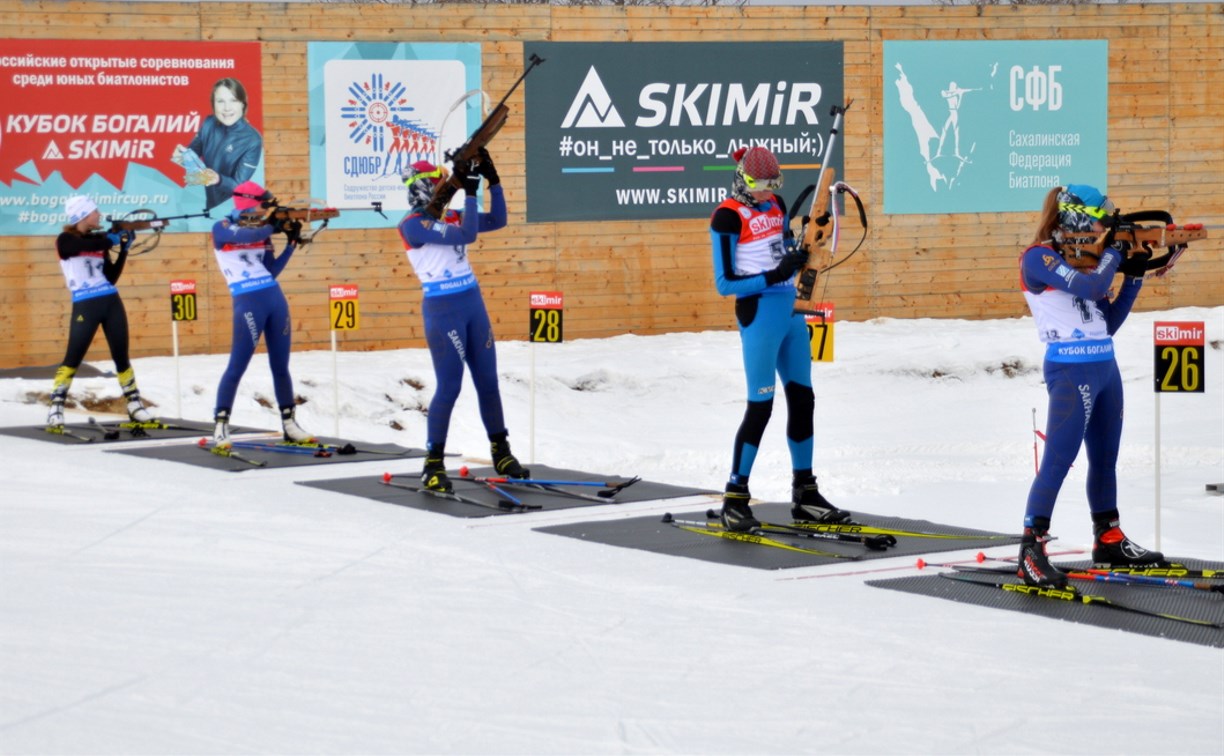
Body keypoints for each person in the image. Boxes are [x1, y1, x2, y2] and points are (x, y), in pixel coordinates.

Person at [1017, 183, 1165, 587]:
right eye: (1101, 224)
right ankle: (1030, 549)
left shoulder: (1085, 263)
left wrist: (1132, 276)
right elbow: (1093, 288)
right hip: (1069, 371)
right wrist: (1116, 254)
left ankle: (1109, 538)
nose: (1105, 233)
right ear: (1079, 221)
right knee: (1058, 462)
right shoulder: (1039, 258)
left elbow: (1107, 323)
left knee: (1105, 460)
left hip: (1104, 367)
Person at [709, 147, 851, 532]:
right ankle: (735, 497)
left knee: (803, 398)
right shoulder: (726, 216)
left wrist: (802, 250)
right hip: (758, 312)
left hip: (790, 310)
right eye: (761, 186)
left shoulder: (776, 205)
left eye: (773, 186)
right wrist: (774, 275)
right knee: (761, 406)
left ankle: (805, 492)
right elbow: (725, 283)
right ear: (744, 180)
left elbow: (782, 249)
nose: (767, 193)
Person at [396, 147, 527, 493]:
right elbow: (468, 235)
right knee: (450, 387)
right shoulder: (412, 225)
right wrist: (468, 189)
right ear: (426, 189)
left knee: (488, 382)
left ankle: (501, 451)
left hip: (472, 303)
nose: (444, 188)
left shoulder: (450, 216)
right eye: (440, 184)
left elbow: (498, 221)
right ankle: (433, 463)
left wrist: (492, 179)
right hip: (443, 311)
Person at [209, 181, 313, 449]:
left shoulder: (262, 233)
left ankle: (289, 424)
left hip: (273, 297)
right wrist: (273, 225)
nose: (263, 210)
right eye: (260, 205)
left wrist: (290, 243)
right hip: (247, 301)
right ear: (247, 204)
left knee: (281, 366)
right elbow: (243, 237)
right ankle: (221, 425)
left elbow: (271, 271)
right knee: (237, 365)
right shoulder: (221, 228)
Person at [46, 196, 155, 430]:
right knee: (73, 357)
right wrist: (109, 240)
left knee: (121, 356)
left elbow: (111, 276)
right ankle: (56, 406)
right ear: (83, 215)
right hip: (86, 304)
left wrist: (123, 250)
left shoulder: (99, 242)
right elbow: (76, 246)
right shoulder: (66, 240)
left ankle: (134, 404)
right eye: (94, 211)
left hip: (110, 300)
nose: (98, 215)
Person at [174, 77, 263, 212]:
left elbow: (240, 187)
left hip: (237, 212)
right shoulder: (209, 123)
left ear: (243, 104)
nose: (227, 108)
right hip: (212, 206)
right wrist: (182, 156)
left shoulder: (252, 139)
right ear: (213, 104)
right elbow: (193, 153)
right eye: (220, 101)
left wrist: (218, 179)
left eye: (233, 100)